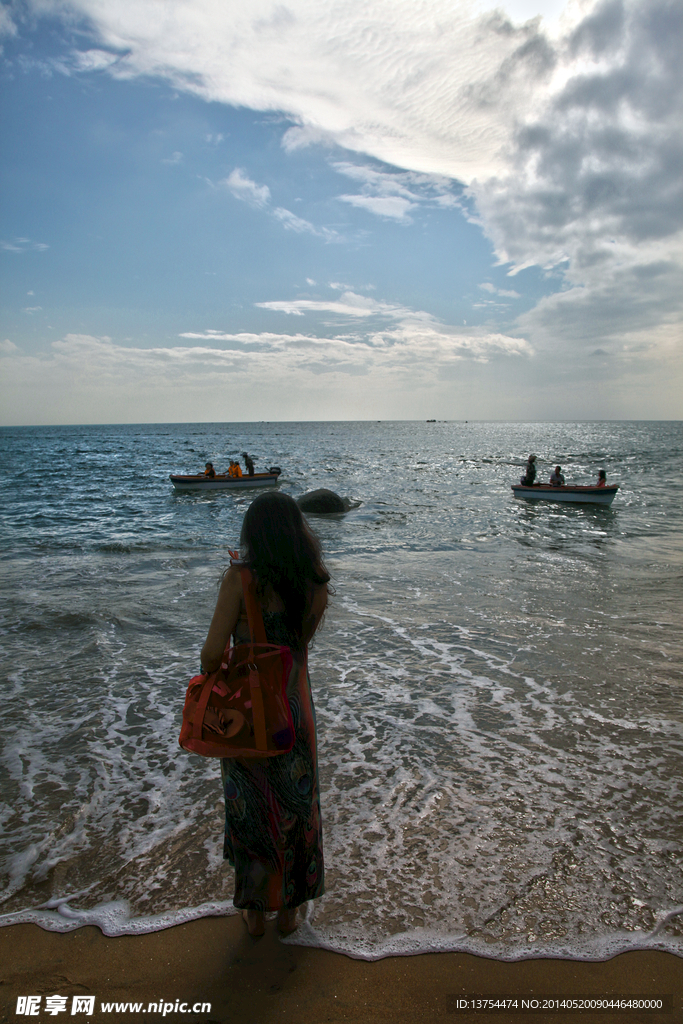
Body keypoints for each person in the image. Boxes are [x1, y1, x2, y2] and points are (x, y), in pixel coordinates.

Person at [200, 491, 330, 938]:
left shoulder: (240, 580)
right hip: (295, 710)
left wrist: (212, 672)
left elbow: (213, 652)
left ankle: (255, 915)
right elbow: (299, 647)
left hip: (249, 717)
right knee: (296, 808)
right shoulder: (315, 582)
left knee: (251, 807)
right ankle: (290, 913)